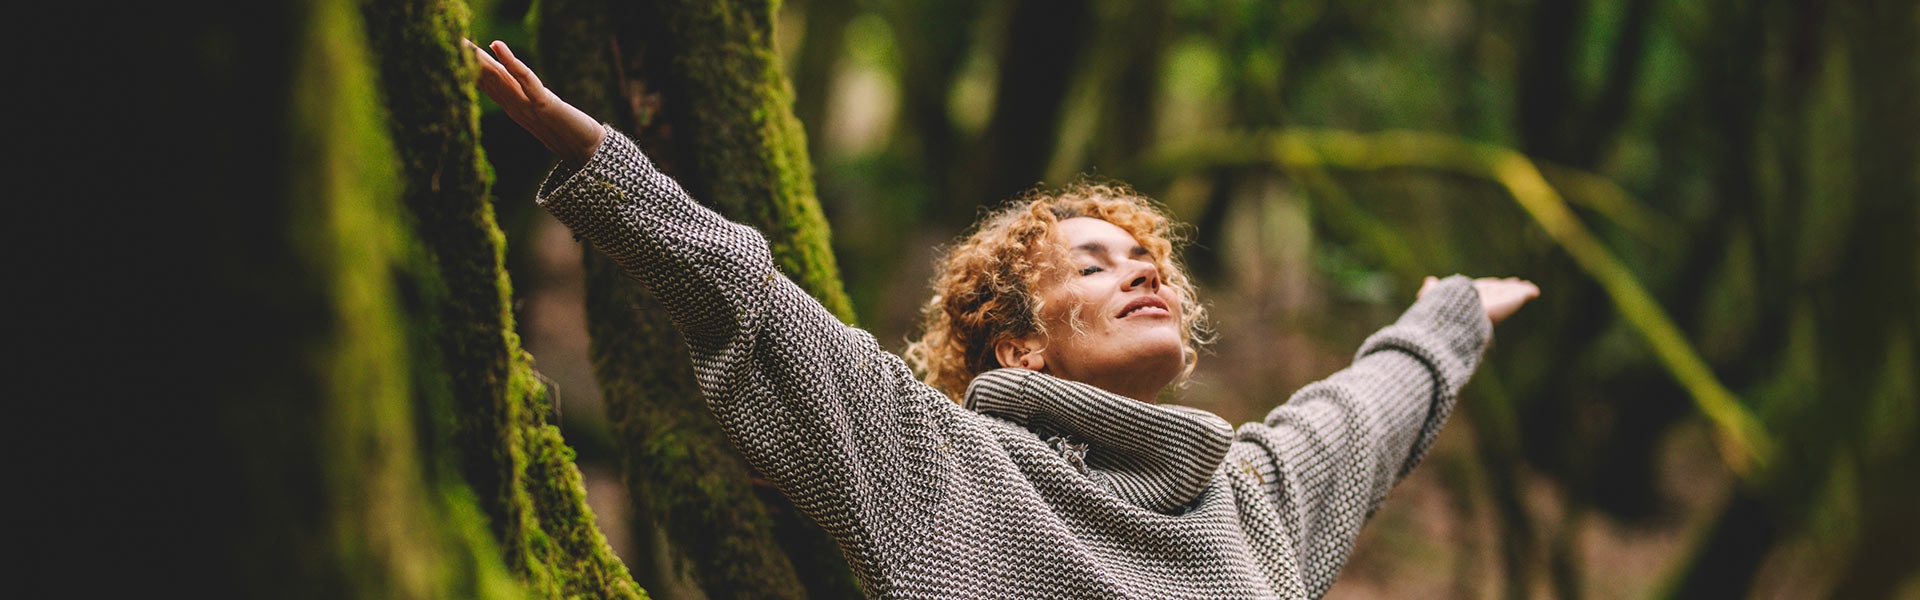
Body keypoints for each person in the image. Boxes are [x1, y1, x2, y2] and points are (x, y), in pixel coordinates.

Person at [470, 40, 1539, 599]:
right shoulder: (945, 470)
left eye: (1149, 261)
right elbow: (761, 305)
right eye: (1097, 262)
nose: (1142, 275)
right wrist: (602, 167)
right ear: (1021, 343)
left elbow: (1361, 411)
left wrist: (1452, 317)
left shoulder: (1252, 496)